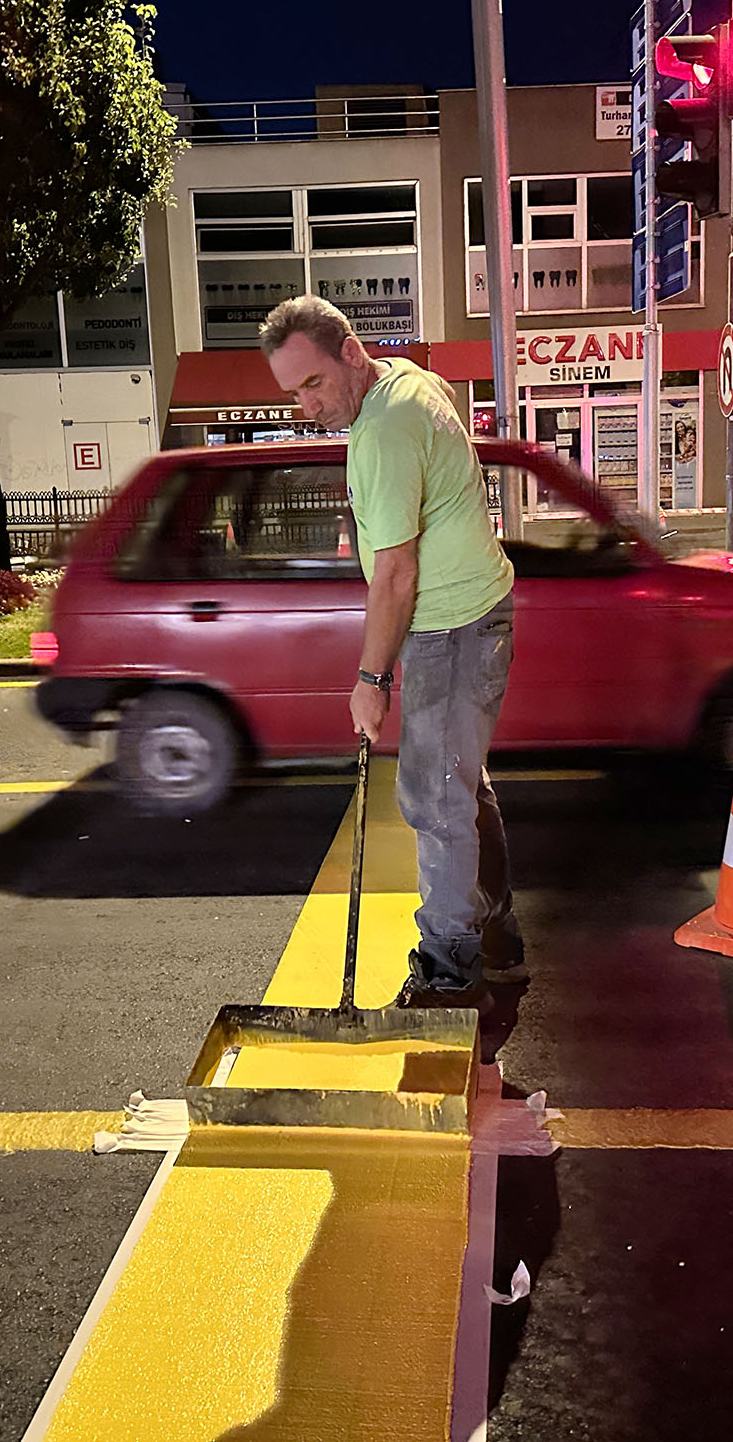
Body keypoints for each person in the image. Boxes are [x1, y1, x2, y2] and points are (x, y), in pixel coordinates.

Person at [260, 295, 521, 1007]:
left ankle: (449, 972)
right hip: (477, 610)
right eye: (292, 393)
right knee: (460, 781)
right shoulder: (408, 379)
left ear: (350, 353)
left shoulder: (384, 430)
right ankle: (495, 936)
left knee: (435, 800)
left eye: (312, 383)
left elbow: (396, 572)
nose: (305, 405)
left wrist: (371, 676)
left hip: (451, 627)